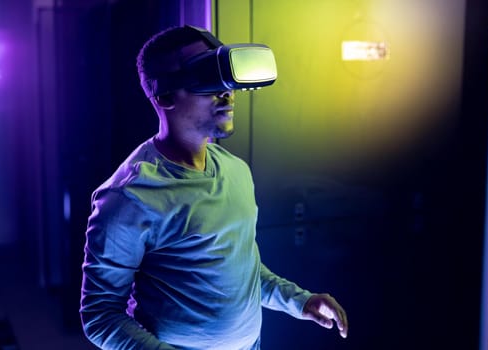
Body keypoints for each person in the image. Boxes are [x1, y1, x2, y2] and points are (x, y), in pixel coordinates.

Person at [80, 25, 348, 350]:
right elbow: (101, 315)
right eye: (208, 77)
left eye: (227, 79)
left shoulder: (237, 172)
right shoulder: (128, 198)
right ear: (164, 95)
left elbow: (240, 269)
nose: (227, 92)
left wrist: (300, 302)